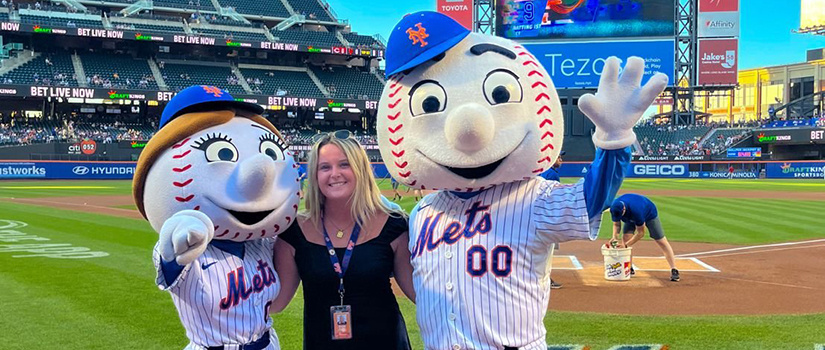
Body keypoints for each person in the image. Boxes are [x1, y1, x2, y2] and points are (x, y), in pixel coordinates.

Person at [271, 129, 415, 350]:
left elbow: (418, 293)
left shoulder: (393, 225)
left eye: (344, 164)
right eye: (325, 167)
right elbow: (276, 303)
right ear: (315, 174)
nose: (334, 173)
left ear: (360, 169)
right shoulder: (293, 232)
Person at [609, 193, 680, 282]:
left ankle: (674, 269)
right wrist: (614, 237)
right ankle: (629, 267)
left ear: (624, 209)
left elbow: (641, 233)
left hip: (649, 213)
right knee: (626, 236)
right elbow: (616, 224)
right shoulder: (614, 208)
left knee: (660, 240)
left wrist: (626, 245)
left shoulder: (637, 211)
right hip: (630, 215)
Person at [538, 150, 566, 289]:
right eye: (558, 156)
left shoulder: (541, 172)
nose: (561, 159)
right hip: (546, 218)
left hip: (537, 215)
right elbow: (554, 198)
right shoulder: (552, 174)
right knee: (547, 251)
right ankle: (545, 279)